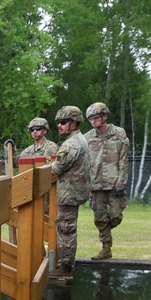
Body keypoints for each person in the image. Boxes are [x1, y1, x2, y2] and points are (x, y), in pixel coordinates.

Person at [83, 102, 130, 260]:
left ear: (104, 116)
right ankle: (106, 248)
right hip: (95, 185)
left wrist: (121, 182)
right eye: (90, 119)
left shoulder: (118, 134)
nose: (93, 121)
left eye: (96, 118)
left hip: (114, 183)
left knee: (115, 216)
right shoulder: (87, 137)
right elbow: (84, 162)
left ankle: (105, 230)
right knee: (99, 218)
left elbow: (124, 160)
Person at [50, 106, 90, 279]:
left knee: (66, 229)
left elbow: (57, 167)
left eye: (63, 122)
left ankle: (66, 267)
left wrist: (44, 166)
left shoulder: (72, 144)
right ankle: (65, 263)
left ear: (73, 123)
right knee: (67, 227)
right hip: (73, 191)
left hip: (69, 193)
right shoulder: (79, 139)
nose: (60, 125)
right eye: (58, 122)